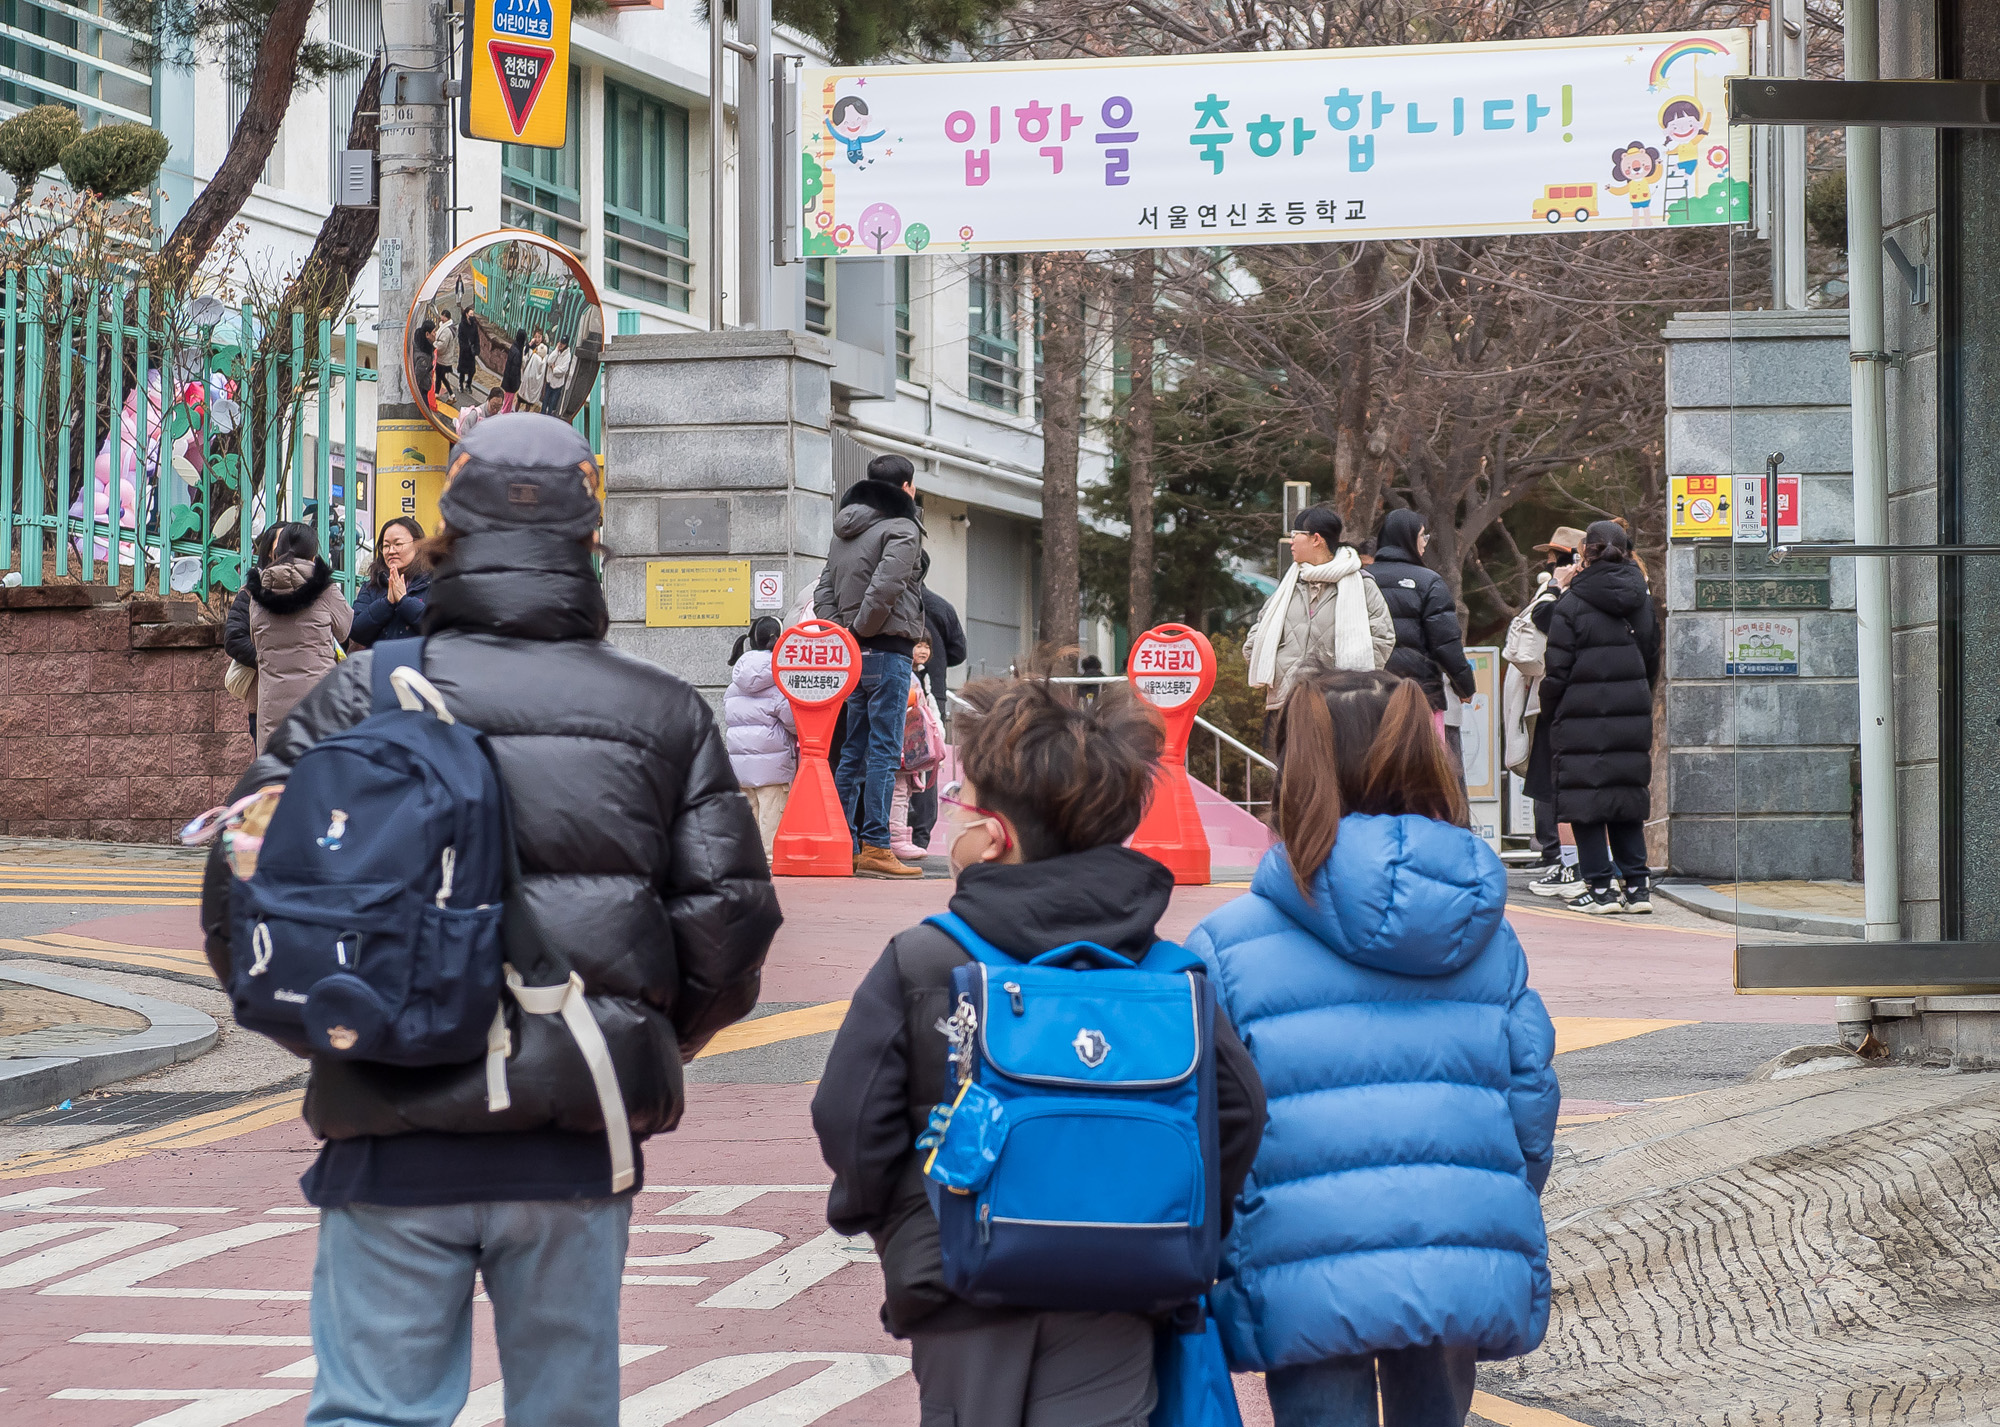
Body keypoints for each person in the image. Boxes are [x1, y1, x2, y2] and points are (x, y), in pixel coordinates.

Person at [199, 414, 781, 1427]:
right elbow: (728, 928)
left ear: (443, 534)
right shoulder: (661, 712)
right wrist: (629, 1032)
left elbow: (239, 891)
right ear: (588, 541)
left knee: (371, 1411)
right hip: (572, 1132)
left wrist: (340, 1027)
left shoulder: (358, 695)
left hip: (386, 1120)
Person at [812, 678, 1266, 1427]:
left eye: (958, 803)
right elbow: (1240, 1111)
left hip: (964, 1291)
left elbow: (850, 1121)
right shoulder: (1169, 975)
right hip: (1119, 1295)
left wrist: (913, 1231)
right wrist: (1164, 1226)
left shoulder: (925, 960)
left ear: (996, 837)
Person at [1189, 663, 1559, 1427]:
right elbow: (1530, 1099)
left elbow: (1213, 1126)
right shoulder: (1487, 931)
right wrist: (1490, 1194)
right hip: (1460, 1234)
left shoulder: (1227, 944)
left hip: (1300, 1252)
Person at [813, 453, 927, 879]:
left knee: (852, 751)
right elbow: (887, 586)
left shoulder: (845, 528)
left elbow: (825, 586)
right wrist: (862, 630)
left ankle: (844, 841)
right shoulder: (902, 527)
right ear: (907, 488)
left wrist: (843, 636)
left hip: (851, 655)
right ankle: (877, 845)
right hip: (887, 650)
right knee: (882, 750)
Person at [1539, 519, 1660, 914]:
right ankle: (1638, 888)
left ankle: (1601, 890)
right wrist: (1640, 695)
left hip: (1579, 714)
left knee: (1585, 800)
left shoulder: (1570, 604)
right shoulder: (1640, 599)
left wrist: (1552, 709)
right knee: (1626, 795)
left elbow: (1556, 669)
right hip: (1632, 709)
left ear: (1584, 554)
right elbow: (1651, 656)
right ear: (1626, 551)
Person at [1247, 504, 1395, 741]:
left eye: (1295, 536)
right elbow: (1260, 629)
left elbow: (1383, 637)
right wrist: (1266, 664)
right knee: (1283, 774)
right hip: (1285, 702)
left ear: (1316, 539)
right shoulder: (1289, 584)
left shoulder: (1361, 585)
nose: (1291, 543)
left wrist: (1352, 679)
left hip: (1335, 705)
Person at [1369, 509, 1478, 768]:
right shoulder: (1429, 582)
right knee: (1424, 770)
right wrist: (1465, 687)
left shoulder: (1362, 578)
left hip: (1370, 693)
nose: (1424, 542)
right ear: (1409, 538)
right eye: (1422, 536)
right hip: (1420, 695)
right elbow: (1446, 643)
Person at [1510, 527, 1586, 898]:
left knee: (1560, 781)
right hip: (1574, 700)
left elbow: (1542, 621)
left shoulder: (1568, 595)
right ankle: (1567, 857)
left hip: (1562, 699)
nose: (1551, 562)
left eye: (1558, 555)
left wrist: (1554, 588)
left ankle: (1569, 861)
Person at [246, 523, 353, 755]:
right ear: (313, 554)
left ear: (276, 553)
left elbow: (256, 641)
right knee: (317, 772)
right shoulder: (325, 588)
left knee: (275, 776)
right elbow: (344, 630)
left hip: (271, 702)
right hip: (317, 702)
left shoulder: (258, 590)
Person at [726, 616, 796, 861]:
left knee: (750, 823)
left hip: (741, 768)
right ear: (776, 640)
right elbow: (793, 723)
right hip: (773, 769)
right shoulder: (778, 682)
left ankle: (748, 865)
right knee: (770, 822)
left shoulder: (734, 683)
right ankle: (768, 866)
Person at [223, 525, 284, 743]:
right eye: (282, 542)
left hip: (305, 703)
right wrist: (271, 662)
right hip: (263, 700)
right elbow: (234, 639)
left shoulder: (313, 592)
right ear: (269, 551)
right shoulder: (251, 592)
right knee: (270, 771)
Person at [887, 639, 943, 861]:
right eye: (918, 645)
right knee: (899, 791)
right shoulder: (904, 673)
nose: (923, 651)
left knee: (905, 790)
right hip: (902, 743)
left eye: (927, 646)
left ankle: (899, 838)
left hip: (906, 743)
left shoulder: (920, 676)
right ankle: (896, 839)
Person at [349, 517, 430, 649]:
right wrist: (386, 603)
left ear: (417, 545)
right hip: (380, 665)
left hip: (419, 667)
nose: (391, 551)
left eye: (398, 544)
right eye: (386, 546)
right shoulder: (372, 586)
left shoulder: (432, 582)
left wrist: (404, 601)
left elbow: (438, 628)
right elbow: (356, 631)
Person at [543, 336, 575, 416]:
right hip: (549, 381)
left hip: (558, 384)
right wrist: (556, 350)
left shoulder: (567, 356)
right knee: (545, 401)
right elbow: (549, 361)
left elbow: (562, 370)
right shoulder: (556, 350)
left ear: (566, 345)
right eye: (560, 342)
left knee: (552, 404)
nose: (561, 345)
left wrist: (554, 369)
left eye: (563, 344)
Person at [432, 309, 458, 398]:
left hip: (443, 358)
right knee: (440, 376)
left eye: (443, 316)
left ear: (446, 318)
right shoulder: (443, 326)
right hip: (443, 358)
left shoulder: (446, 331)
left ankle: (451, 394)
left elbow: (442, 346)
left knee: (441, 376)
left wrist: (434, 345)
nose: (441, 318)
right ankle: (438, 393)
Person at [456, 306, 481, 396]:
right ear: (466, 314)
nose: (472, 316)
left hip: (471, 352)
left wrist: (476, 349)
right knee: (462, 370)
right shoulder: (462, 325)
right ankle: (460, 384)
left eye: (473, 314)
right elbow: (460, 338)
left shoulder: (474, 325)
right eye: (470, 314)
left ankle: (468, 384)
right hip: (464, 351)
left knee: (472, 370)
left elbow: (477, 338)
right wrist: (465, 347)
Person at [500, 329, 525, 413]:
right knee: (507, 402)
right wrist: (515, 384)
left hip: (508, 381)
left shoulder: (514, 347)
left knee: (508, 401)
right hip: (511, 384)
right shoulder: (517, 353)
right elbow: (514, 371)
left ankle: (506, 413)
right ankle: (503, 416)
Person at [520, 339, 547, 414]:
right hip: (535, 385)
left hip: (528, 381)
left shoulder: (535, 357)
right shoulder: (544, 360)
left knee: (521, 399)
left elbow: (528, 367)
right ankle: (527, 412)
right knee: (529, 403)